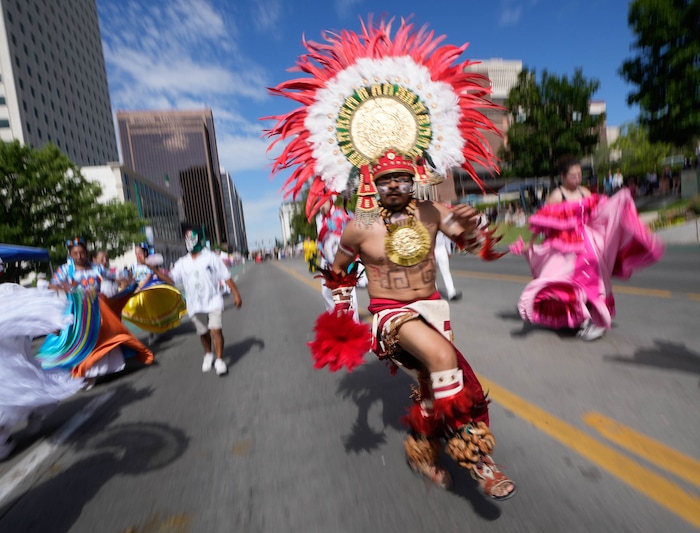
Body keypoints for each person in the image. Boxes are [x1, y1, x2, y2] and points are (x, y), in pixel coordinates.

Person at [266, 18, 516, 501]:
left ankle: (422, 452)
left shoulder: (432, 210)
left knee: (430, 384)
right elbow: (337, 273)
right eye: (387, 181)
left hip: (431, 311)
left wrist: (471, 230)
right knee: (446, 363)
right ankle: (478, 458)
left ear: (415, 176)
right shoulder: (359, 227)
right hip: (389, 319)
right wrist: (343, 322)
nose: (396, 186)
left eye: (403, 177)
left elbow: (474, 245)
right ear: (372, 185)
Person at [510, 156, 665, 341]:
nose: (577, 178)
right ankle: (582, 317)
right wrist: (530, 242)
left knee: (593, 280)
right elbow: (542, 222)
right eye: (573, 175)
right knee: (558, 280)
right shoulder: (557, 196)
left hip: (588, 242)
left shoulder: (584, 191)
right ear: (562, 176)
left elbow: (600, 211)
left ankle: (592, 318)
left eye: (579, 174)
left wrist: (620, 204)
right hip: (564, 245)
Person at [36, 237, 154, 388]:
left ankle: (96, 371)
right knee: (77, 342)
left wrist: (125, 280)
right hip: (77, 313)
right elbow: (51, 286)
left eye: (82, 253)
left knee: (100, 339)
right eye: (75, 253)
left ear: (86, 253)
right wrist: (63, 288)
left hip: (97, 311)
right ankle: (84, 372)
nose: (79, 256)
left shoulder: (96, 268)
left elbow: (115, 275)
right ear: (71, 255)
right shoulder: (65, 269)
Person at [0, 281, 85, 460]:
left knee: (26, 383)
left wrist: (48, 323)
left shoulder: (8, 290)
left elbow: (32, 309)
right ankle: (3, 438)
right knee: (8, 393)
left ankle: (35, 415)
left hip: (15, 349)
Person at [157, 228, 242, 376]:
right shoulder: (182, 262)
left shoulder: (211, 257)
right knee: (203, 332)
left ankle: (220, 360)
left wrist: (236, 294)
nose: (189, 242)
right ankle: (209, 354)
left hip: (213, 299)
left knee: (216, 329)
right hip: (195, 304)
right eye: (187, 239)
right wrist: (153, 269)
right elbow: (171, 279)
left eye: (192, 239)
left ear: (199, 240)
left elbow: (226, 275)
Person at [121, 243, 186, 346]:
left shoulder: (149, 263)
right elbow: (133, 278)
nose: (138, 255)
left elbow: (148, 276)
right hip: (139, 290)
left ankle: (153, 333)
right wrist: (129, 284)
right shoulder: (134, 265)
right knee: (144, 312)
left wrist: (140, 287)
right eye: (136, 253)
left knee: (151, 312)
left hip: (149, 289)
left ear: (145, 253)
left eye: (140, 252)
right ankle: (153, 331)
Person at [315, 197, 360, 320]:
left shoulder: (342, 213)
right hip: (326, 262)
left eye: (321, 202)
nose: (320, 207)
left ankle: (352, 324)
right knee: (327, 293)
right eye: (317, 204)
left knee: (347, 294)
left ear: (330, 200)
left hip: (343, 261)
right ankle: (335, 322)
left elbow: (354, 233)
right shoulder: (319, 219)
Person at [434, 230, 460, 301]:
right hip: (431, 249)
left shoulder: (441, 224)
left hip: (441, 248)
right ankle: (434, 294)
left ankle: (451, 293)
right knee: (432, 273)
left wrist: (448, 250)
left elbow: (446, 237)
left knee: (446, 271)